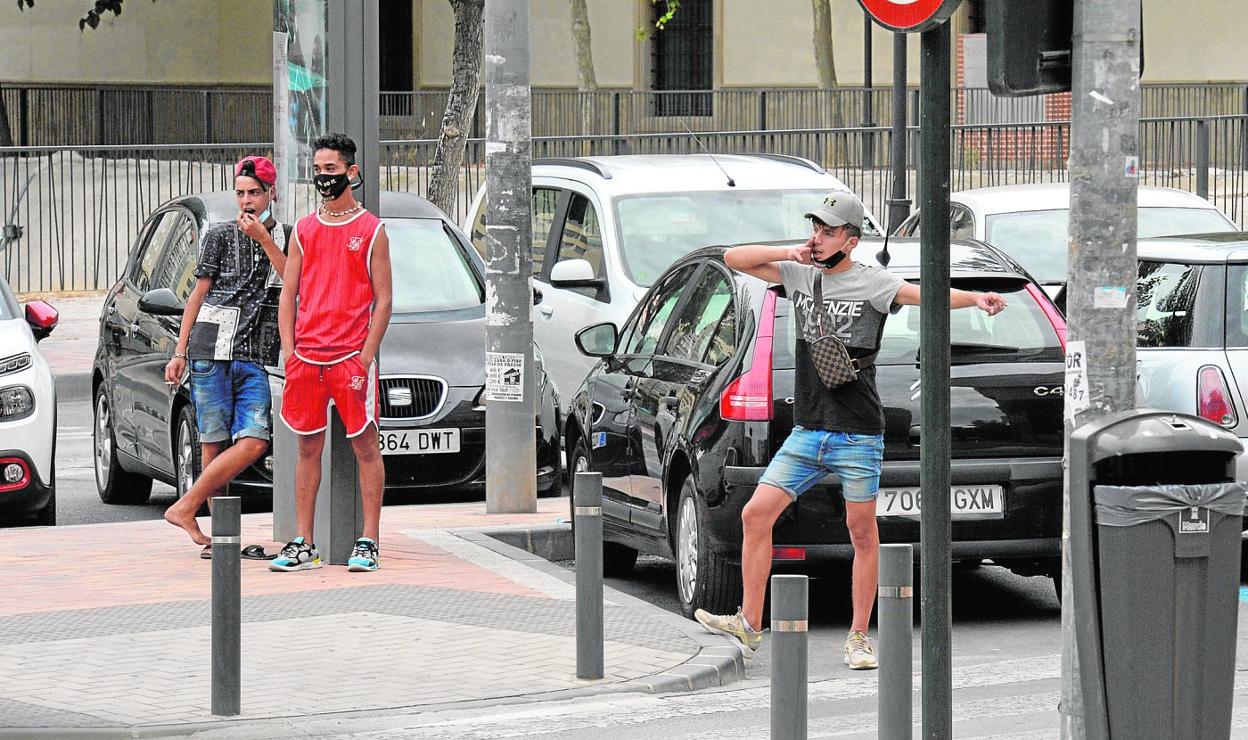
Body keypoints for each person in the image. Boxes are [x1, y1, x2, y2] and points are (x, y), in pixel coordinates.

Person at [696, 191, 1007, 669]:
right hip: (807, 431)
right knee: (756, 516)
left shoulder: (873, 283)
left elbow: (924, 294)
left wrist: (976, 299)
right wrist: (788, 253)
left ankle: (859, 636)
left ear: (852, 240)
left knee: (861, 532)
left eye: (828, 230)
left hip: (858, 433)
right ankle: (749, 623)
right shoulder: (798, 275)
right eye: (815, 228)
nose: (817, 237)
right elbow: (733, 258)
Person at [272, 132, 393, 573]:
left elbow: (384, 300)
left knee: (365, 446)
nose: (324, 178)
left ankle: (369, 540)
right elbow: (289, 292)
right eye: (318, 170)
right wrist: (290, 350)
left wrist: (365, 356)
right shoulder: (303, 230)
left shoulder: (372, 230)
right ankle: (303, 542)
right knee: (307, 449)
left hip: (349, 360)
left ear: (351, 172)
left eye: (332, 170)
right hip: (307, 359)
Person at [163, 155, 289, 556]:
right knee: (214, 442)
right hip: (211, 348)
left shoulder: (287, 235)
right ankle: (219, 540)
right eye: (241, 193)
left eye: (254, 193)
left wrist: (265, 240)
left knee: (254, 440)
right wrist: (179, 351)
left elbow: (294, 281)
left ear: (272, 193)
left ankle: (186, 506)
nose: (247, 201)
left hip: (257, 352)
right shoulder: (217, 235)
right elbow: (198, 293)